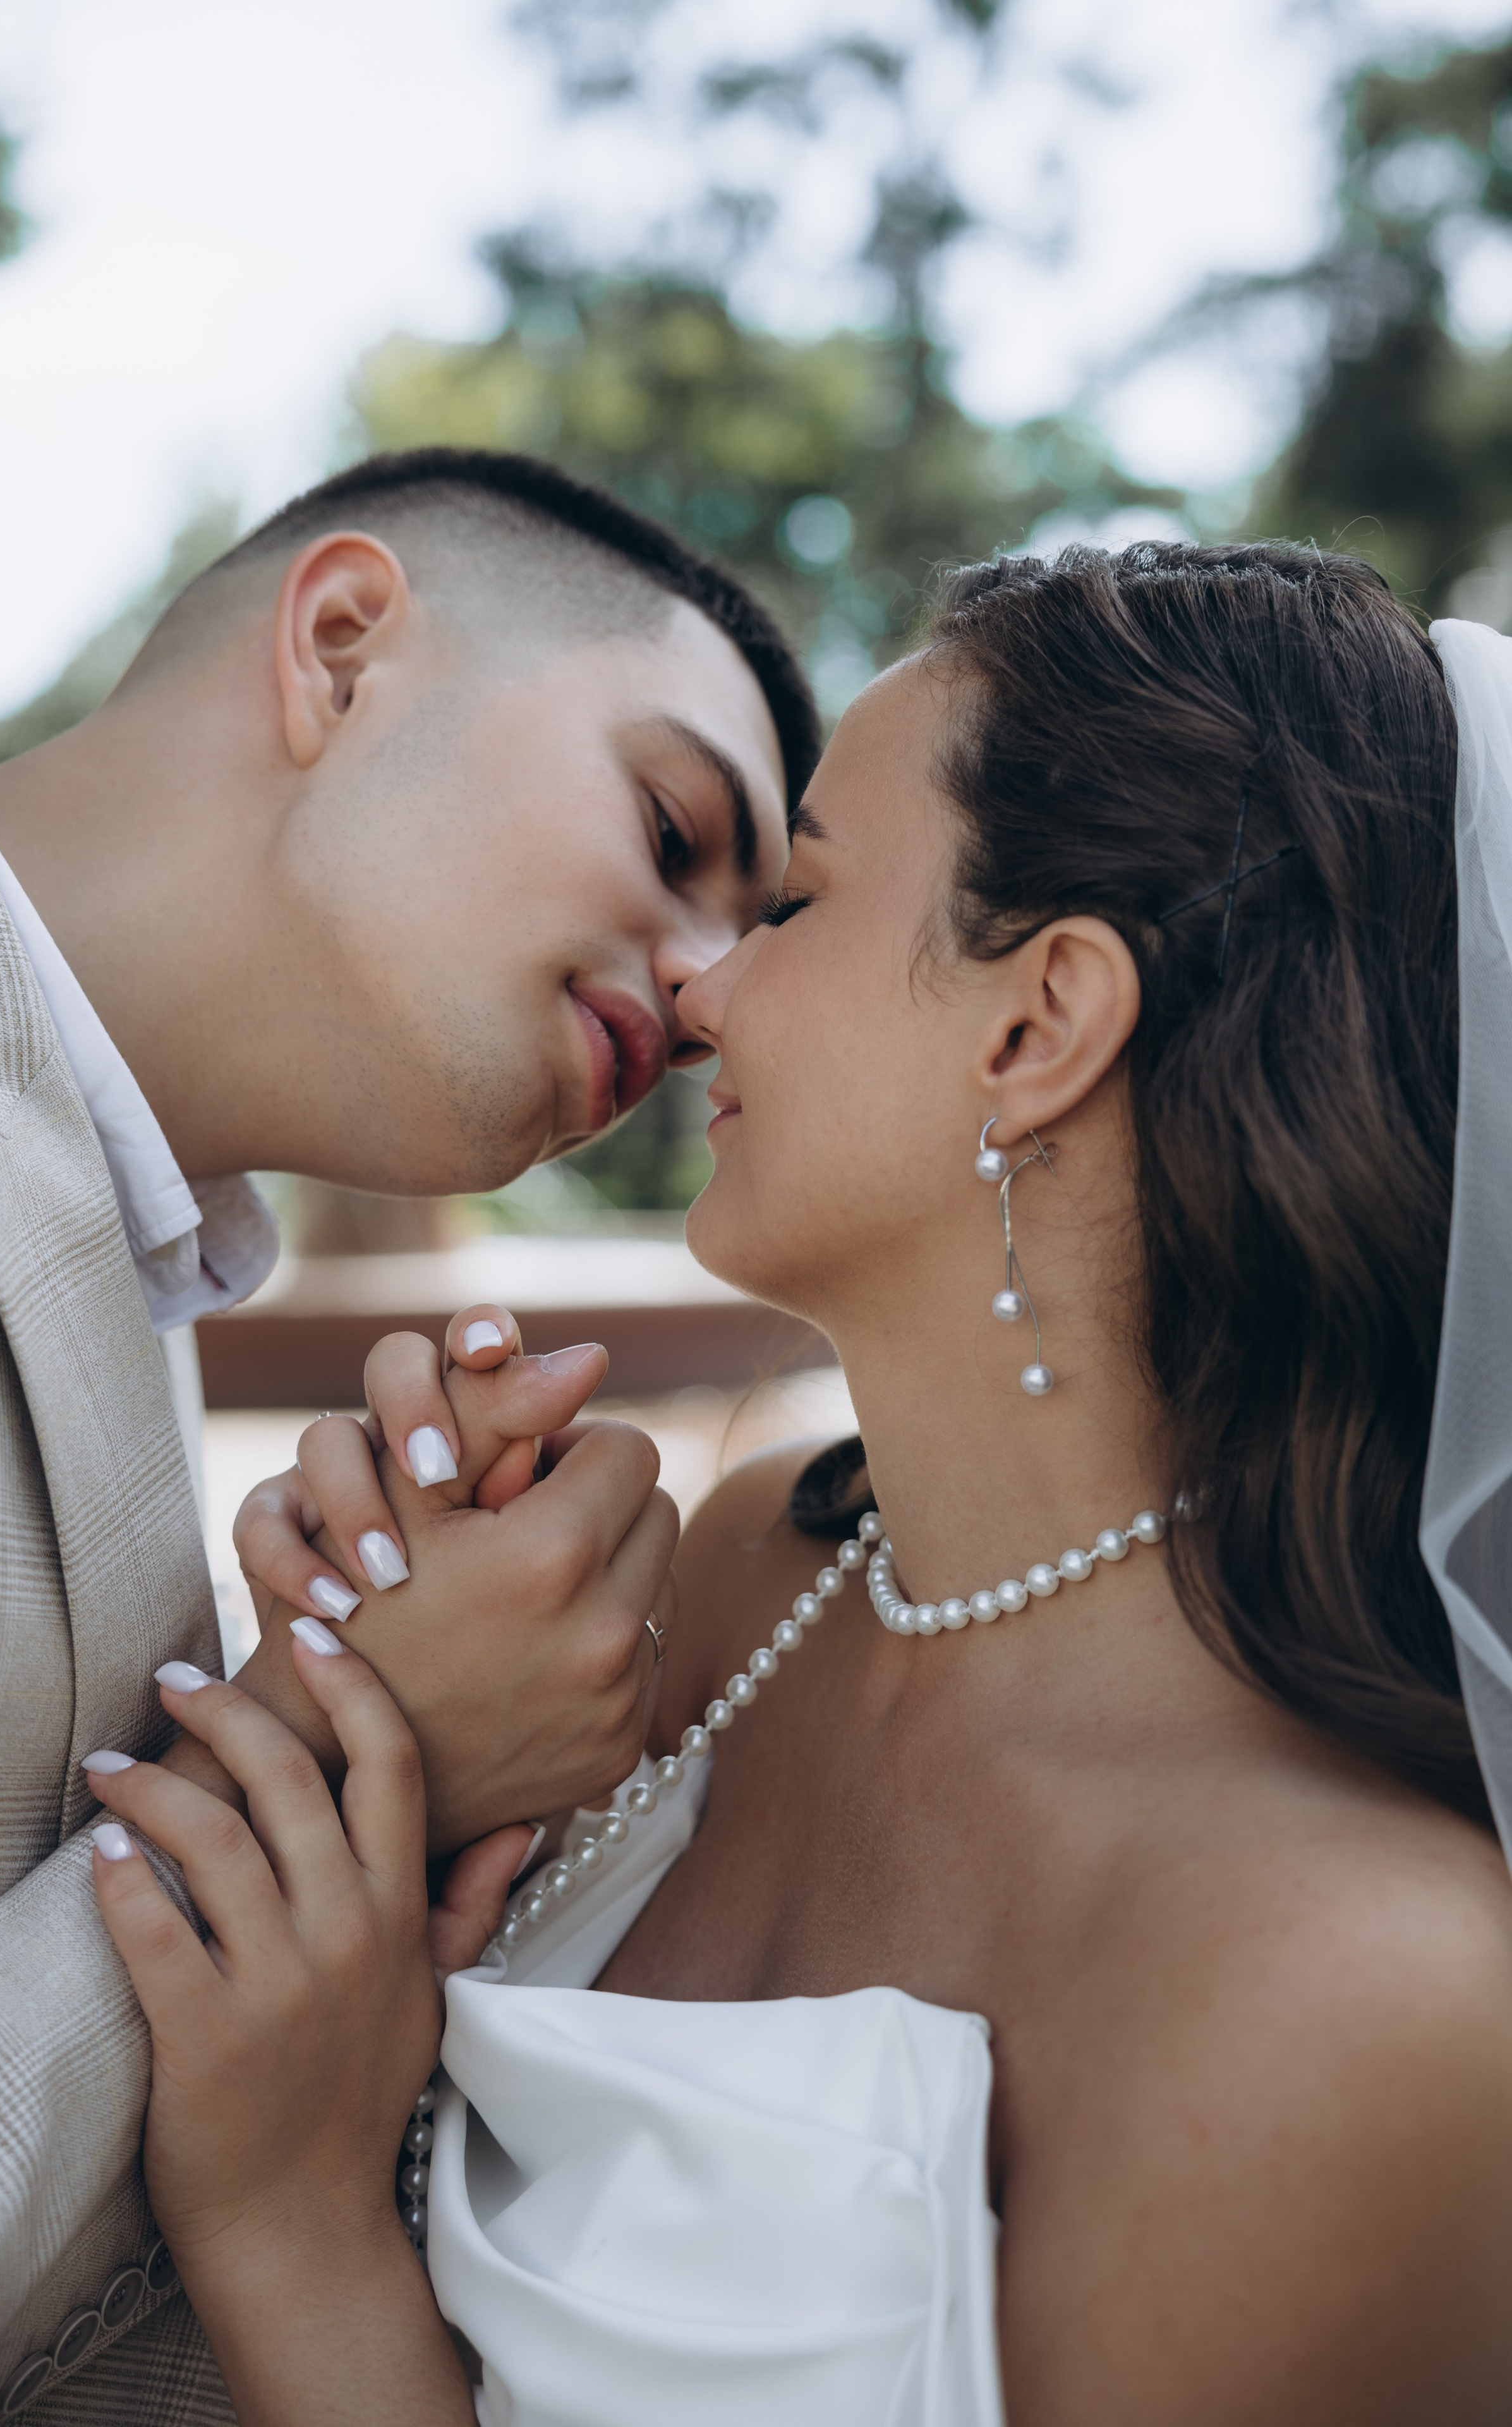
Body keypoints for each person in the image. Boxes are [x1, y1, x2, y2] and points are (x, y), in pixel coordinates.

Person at [86, 543, 1512, 2425]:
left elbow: (309, 2192)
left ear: (1039, 1025)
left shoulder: (1363, 1999)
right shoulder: (747, 1570)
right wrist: (379, 1717)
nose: (704, 993)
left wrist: (292, 2224)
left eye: (801, 898)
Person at [0, 446, 818, 2424]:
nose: (710, 996)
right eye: (674, 828)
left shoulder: (118, 1245)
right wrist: (341, 1754)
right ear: (337, 646)